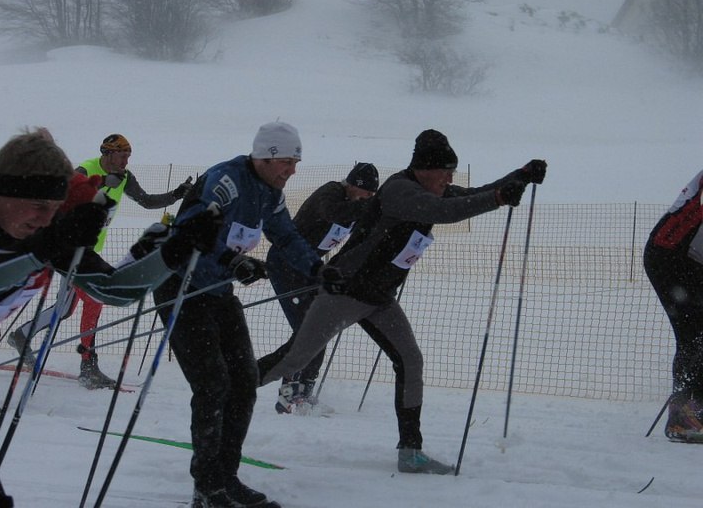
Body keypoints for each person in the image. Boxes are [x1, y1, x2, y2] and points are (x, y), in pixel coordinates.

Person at [0, 128, 220, 503]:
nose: (45, 218)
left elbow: (114, 289)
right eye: (39, 206)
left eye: (54, 209)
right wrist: (50, 242)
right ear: (5, 190)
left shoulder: (43, 230)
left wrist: (174, 251)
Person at [258, 129, 547, 475]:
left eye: (451, 173)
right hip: (346, 292)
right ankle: (224, 392)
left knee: (410, 361)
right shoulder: (400, 190)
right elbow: (445, 211)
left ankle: (410, 451)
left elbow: (473, 194)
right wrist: (499, 199)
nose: (449, 180)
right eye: (444, 173)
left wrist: (521, 176)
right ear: (424, 169)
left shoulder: (431, 189)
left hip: (379, 298)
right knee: (294, 358)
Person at [153, 122, 342, 508]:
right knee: (212, 385)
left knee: (243, 382)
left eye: (296, 163)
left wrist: (317, 270)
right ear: (265, 156)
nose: (292, 171)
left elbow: (285, 236)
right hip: (182, 288)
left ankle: (226, 478)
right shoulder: (226, 181)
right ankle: (207, 488)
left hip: (218, 291)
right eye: (287, 162)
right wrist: (232, 261)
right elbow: (191, 233)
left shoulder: (270, 193)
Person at [8, 133, 193, 389]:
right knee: (92, 301)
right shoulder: (86, 169)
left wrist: (176, 194)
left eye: (128, 156)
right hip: (68, 250)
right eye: (122, 155)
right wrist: (103, 182)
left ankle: (23, 335)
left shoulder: (125, 177)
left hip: (88, 253)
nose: (126, 161)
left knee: (66, 307)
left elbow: (146, 201)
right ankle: (88, 366)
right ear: (107, 154)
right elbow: (67, 194)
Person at [265, 162, 379, 414]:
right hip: (285, 264)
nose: (368, 198)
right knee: (306, 329)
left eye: (372, 195)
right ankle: (288, 394)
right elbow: (332, 212)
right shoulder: (331, 192)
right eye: (366, 193)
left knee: (320, 326)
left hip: (310, 269)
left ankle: (305, 393)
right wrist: (369, 206)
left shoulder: (355, 207)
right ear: (353, 185)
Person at [644, 169, 703, 441]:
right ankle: (684, 415)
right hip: (671, 255)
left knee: (696, 335)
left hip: (687, 258)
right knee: (695, 335)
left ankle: (693, 408)